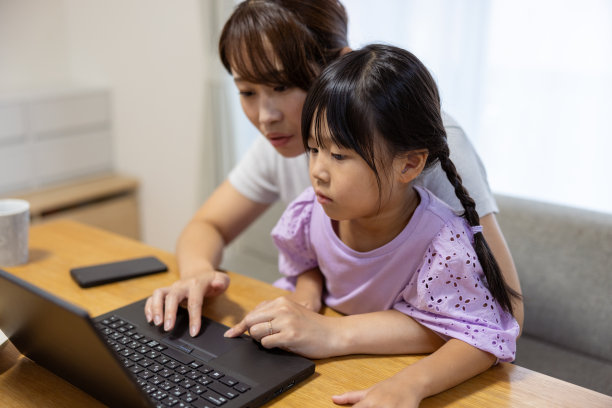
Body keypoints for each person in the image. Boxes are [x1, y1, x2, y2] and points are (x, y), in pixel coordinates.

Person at [144, 0, 523, 339]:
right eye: (247, 92)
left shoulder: (421, 146)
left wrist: (335, 332)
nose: (265, 117)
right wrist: (196, 273)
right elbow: (207, 225)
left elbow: (503, 313)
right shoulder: (284, 138)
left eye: (282, 86)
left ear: (340, 63)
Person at [223, 43, 521, 407]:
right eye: (314, 149)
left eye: (339, 155)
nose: (317, 170)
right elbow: (308, 262)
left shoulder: (442, 243)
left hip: (382, 372)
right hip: (317, 368)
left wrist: (408, 385)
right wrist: (306, 295)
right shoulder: (313, 210)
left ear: (408, 165)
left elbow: (482, 336)